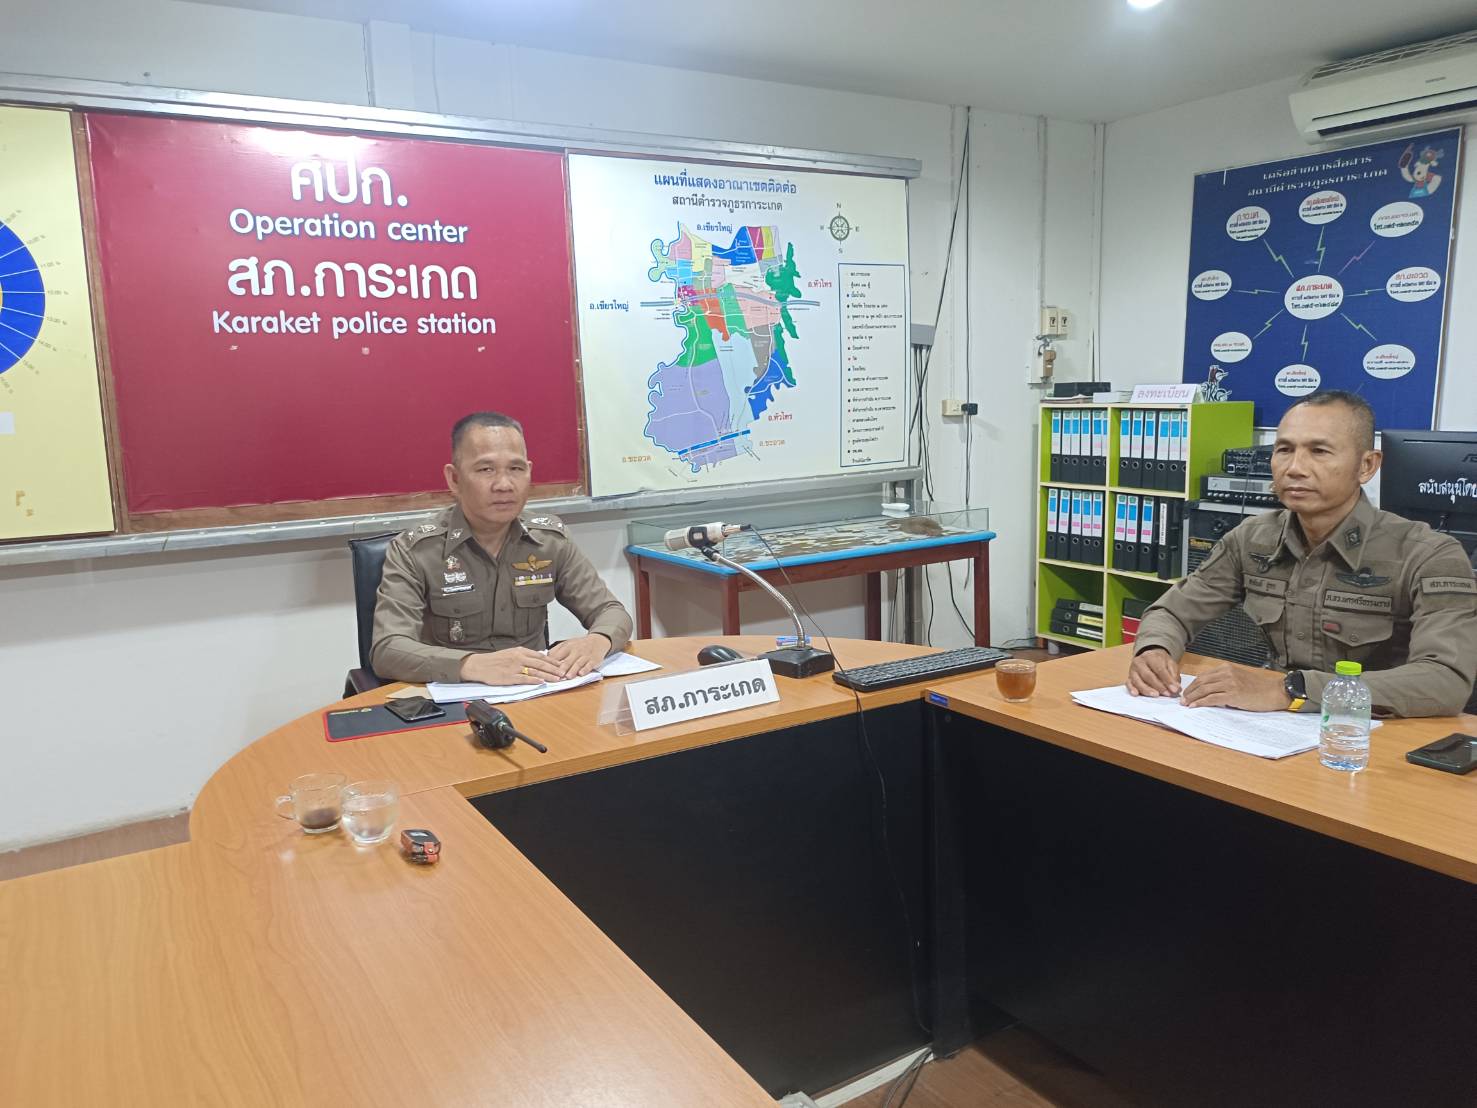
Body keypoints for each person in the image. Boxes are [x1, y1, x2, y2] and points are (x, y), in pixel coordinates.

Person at [1127, 390, 1477, 718]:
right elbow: (1173, 611)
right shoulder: (1251, 539)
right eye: (1284, 449)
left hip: (1371, 733)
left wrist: (1292, 690)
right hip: (1273, 728)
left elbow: (1445, 680)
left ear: (1367, 466)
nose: (1295, 467)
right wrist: (1155, 650)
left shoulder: (1429, 555)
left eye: (1319, 451)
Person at [371, 412, 633, 685]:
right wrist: (471, 665)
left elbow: (611, 612)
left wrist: (597, 641)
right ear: (455, 479)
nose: (504, 485)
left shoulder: (549, 540)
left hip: (534, 690)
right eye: (486, 470)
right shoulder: (416, 550)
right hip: (454, 694)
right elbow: (388, 649)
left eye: (516, 469)